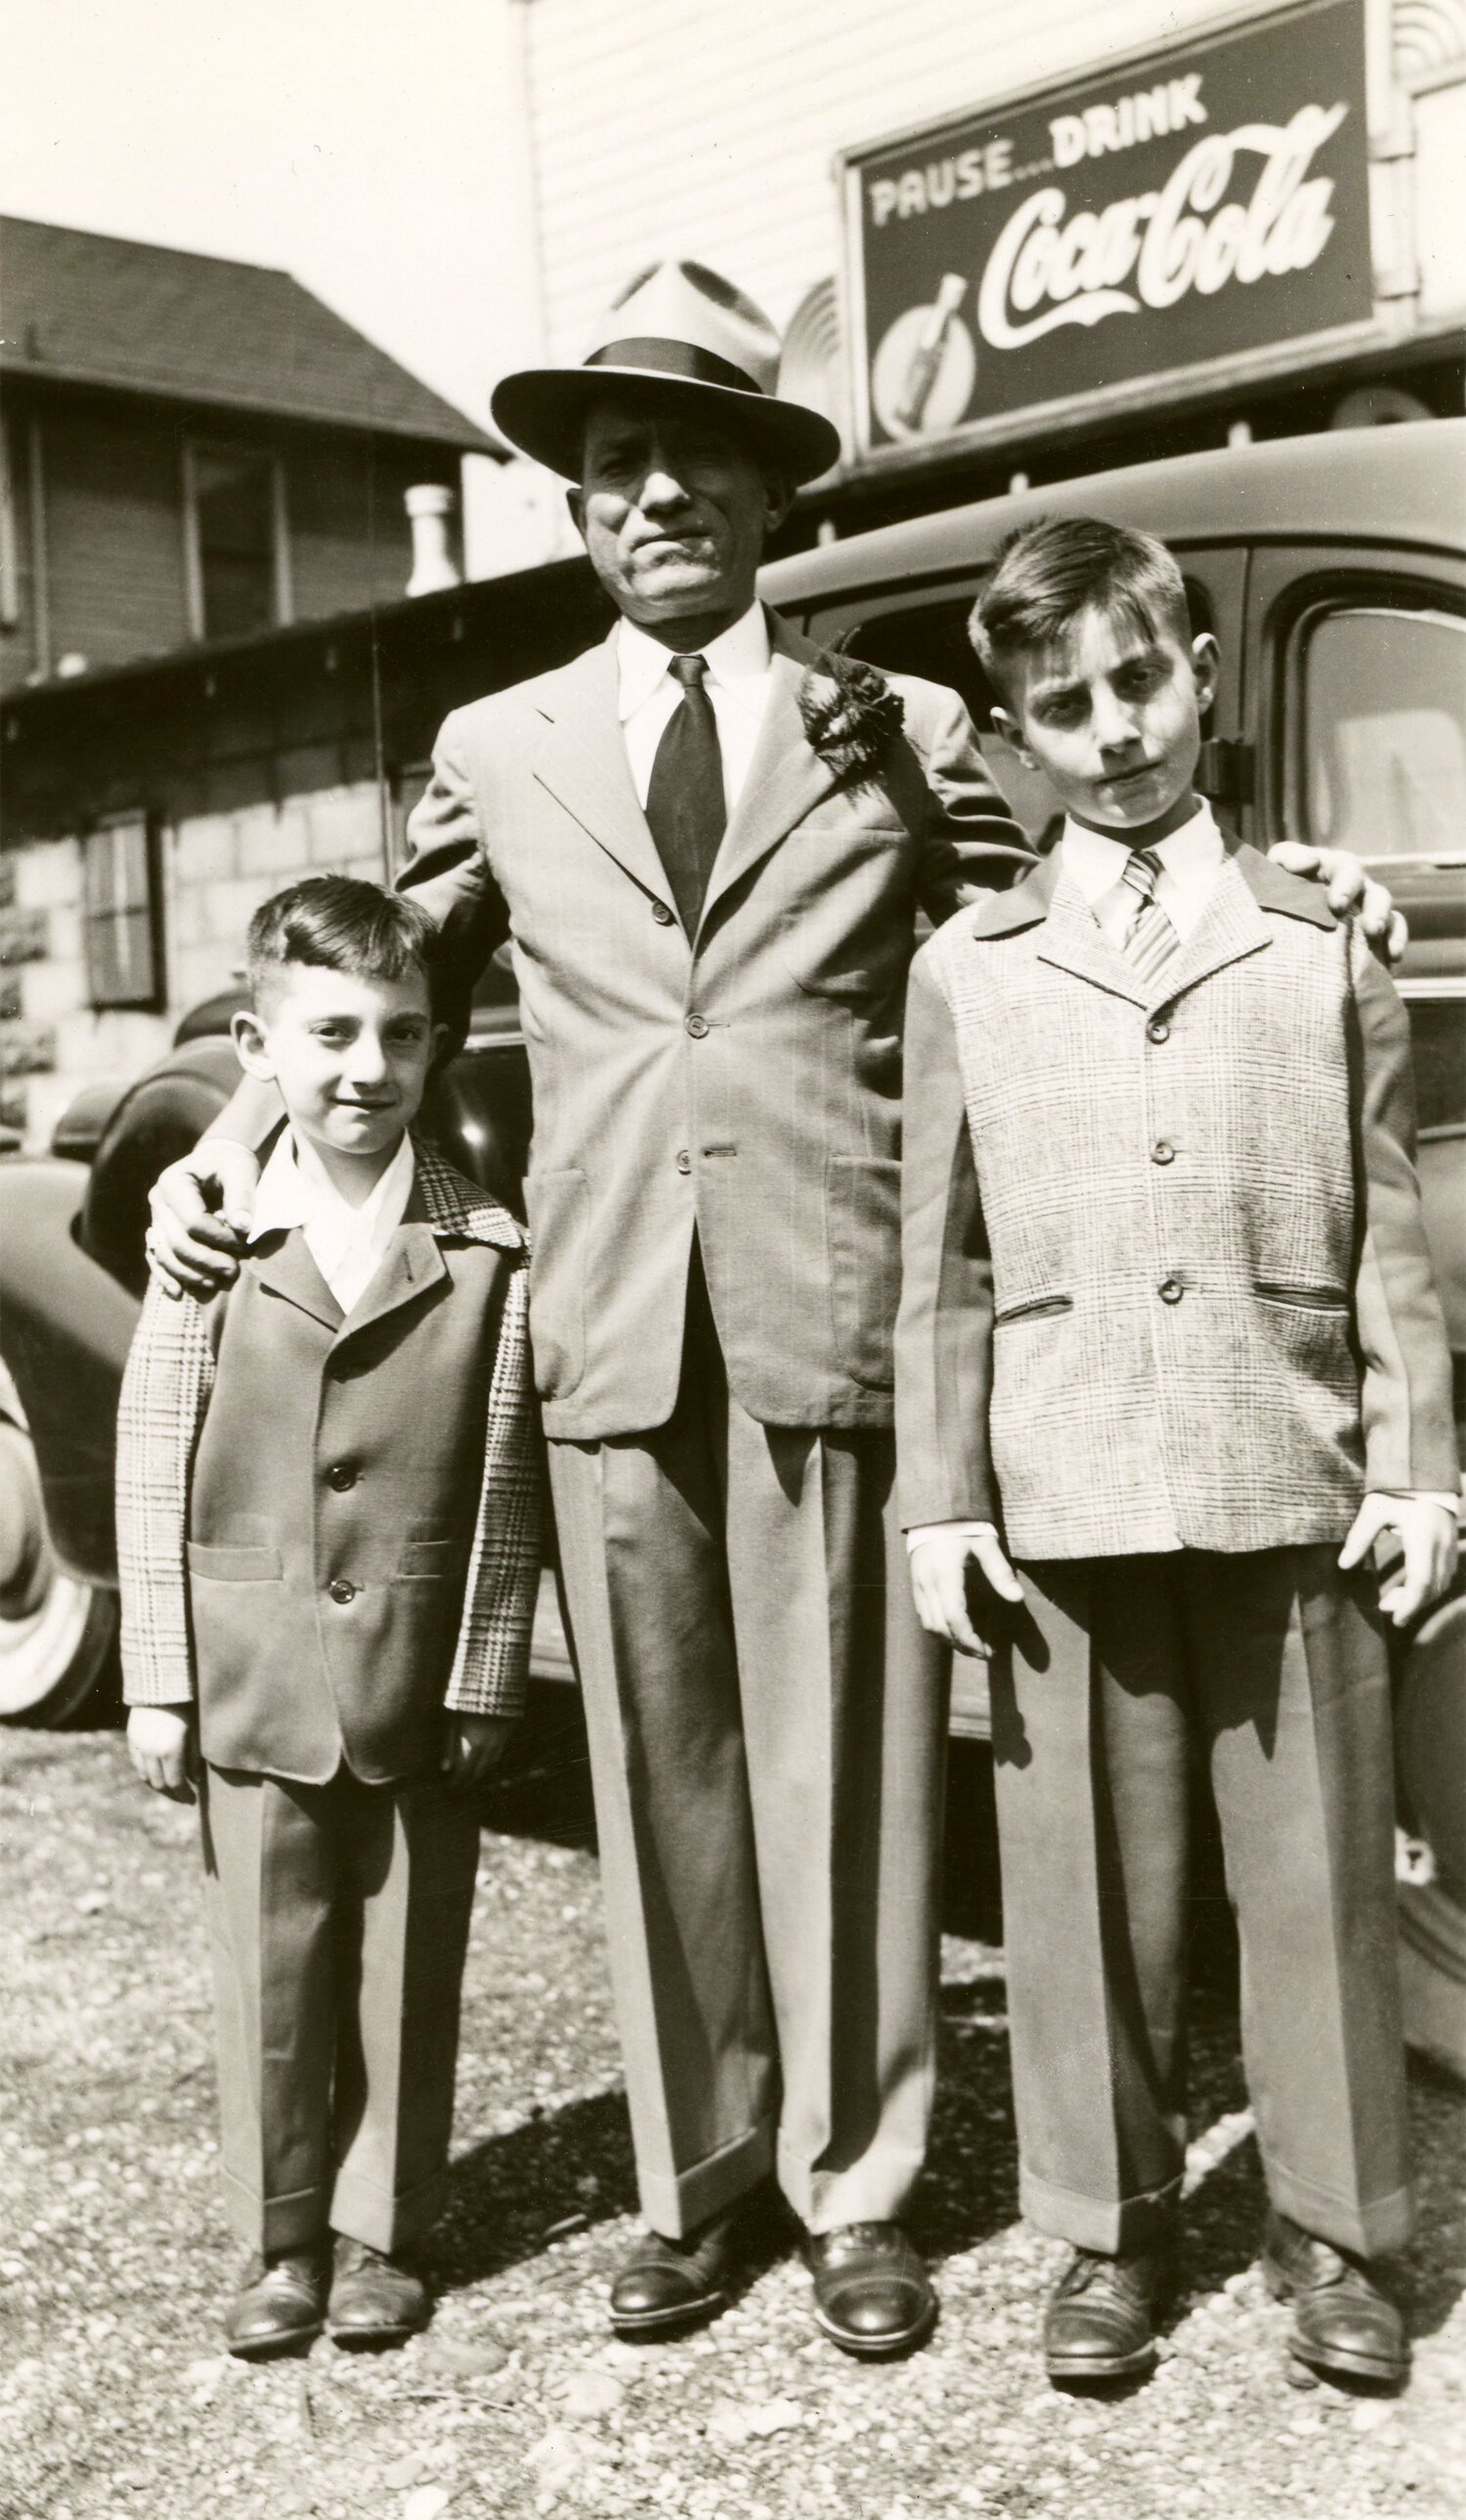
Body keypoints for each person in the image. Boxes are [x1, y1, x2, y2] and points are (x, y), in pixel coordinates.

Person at [143, 264, 1401, 2359]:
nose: (661, 497)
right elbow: (380, 959)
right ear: (581, 503)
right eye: (622, 464)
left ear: (761, 496)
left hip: (832, 1295)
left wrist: (1317, 880)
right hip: (615, 1308)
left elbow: (1100, 865)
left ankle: (861, 2188)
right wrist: (235, 1132)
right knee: (663, 1772)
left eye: (702, 461)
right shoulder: (498, 742)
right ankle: (701, 2178)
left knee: (856, 1773)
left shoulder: (892, 727)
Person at [896, 516, 1458, 2392]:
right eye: (1065, 706)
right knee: (1083, 1892)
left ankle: (1340, 2229)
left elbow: (1389, 1229)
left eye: (1141, 681)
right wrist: (941, 1500)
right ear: (1013, 737)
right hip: (1063, 1492)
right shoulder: (968, 966)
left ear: (1202, 676)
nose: (1116, 729)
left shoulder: (1320, 942)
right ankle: (1106, 2227)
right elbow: (944, 1265)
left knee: (1310, 1879)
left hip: (1282, 1461)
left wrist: (1417, 1467)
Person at [118, 876, 541, 2359]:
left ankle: (381, 2231)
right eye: (332, 1033)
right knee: (273, 1963)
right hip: (251, 1671)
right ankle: (279, 2237)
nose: (368, 1066)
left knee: (407, 1957)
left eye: (403, 1035)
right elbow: (152, 1447)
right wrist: (158, 1679)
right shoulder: (214, 1236)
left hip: (416, 1672)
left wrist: (488, 1671)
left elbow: (503, 1475)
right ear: (258, 1041)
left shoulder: (487, 1245)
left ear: (439, 1048)